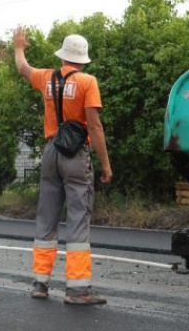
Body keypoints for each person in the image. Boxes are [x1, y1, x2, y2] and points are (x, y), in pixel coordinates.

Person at [13, 28, 113, 306]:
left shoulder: (47, 78)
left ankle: (40, 284)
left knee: (46, 219)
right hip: (75, 154)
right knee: (78, 220)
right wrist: (105, 164)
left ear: (63, 55)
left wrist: (18, 46)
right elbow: (94, 125)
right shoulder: (87, 81)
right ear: (83, 59)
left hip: (50, 152)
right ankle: (77, 291)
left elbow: (22, 67)